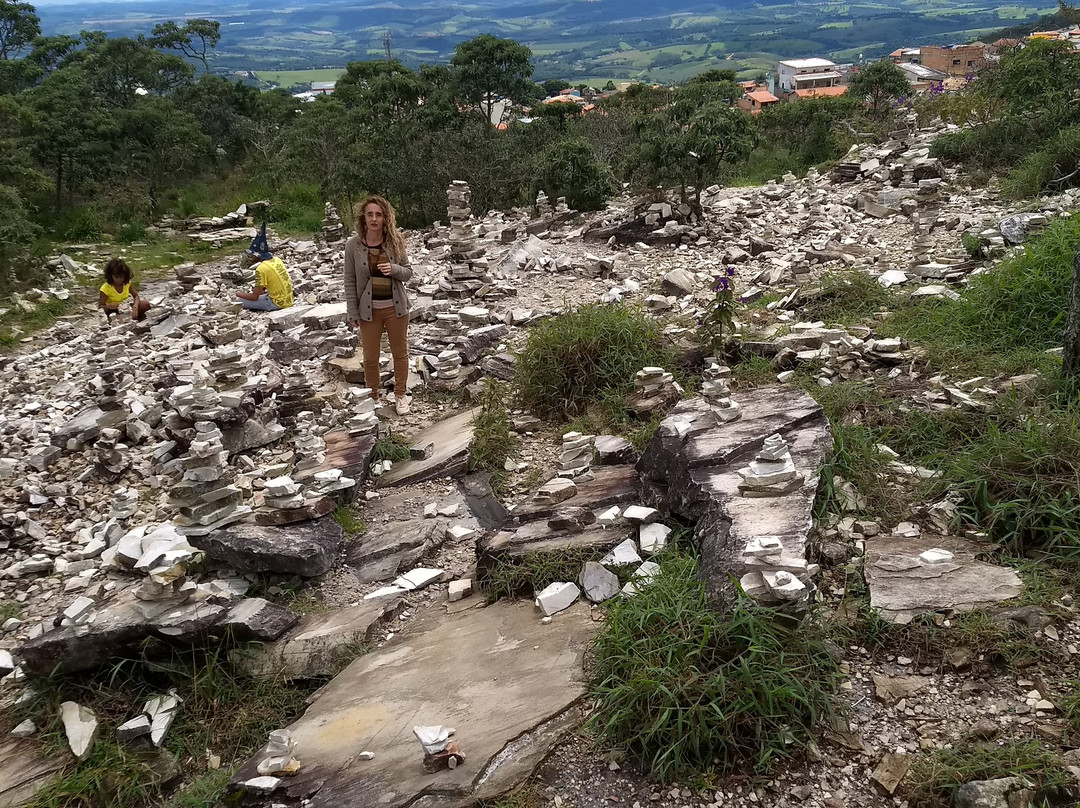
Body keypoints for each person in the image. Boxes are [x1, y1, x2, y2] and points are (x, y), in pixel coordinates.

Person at [344, 195, 413, 415]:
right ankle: (372, 396)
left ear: (385, 218)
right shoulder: (353, 245)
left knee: (399, 353)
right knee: (370, 357)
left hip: (396, 308)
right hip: (368, 311)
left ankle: (400, 395)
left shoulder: (395, 242)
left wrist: (393, 269)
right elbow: (349, 280)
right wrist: (352, 311)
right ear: (363, 218)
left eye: (379, 215)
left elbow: (408, 273)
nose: (374, 219)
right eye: (370, 214)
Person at [236, 224, 293, 311]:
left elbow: (255, 297)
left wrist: (237, 294)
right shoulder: (277, 259)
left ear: (257, 255)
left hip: (277, 303)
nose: (251, 258)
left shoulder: (261, 269)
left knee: (238, 301)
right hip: (288, 300)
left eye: (252, 255)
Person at [98, 257, 151, 322]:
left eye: (121, 277)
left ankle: (139, 318)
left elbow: (136, 296)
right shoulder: (105, 288)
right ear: (111, 276)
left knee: (146, 304)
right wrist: (109, 306)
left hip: (125, 307)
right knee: (119, 320)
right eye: (116, 277)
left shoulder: (127, 283)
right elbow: (101, 306)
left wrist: (135, 307)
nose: (119, 280)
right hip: (113, 312)